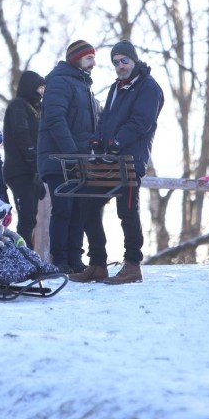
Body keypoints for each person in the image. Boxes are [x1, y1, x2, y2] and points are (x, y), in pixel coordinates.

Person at [70, 40, 164, 284]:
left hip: (130, 160)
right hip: (108, 159)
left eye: (124, 61)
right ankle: (98, 263)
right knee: (87, 202)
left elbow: (141, 121)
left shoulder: (148, 87)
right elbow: (104, 119)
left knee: (127, 210)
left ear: (134, 61)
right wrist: (96, 140)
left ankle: (133, 264)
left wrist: (117, 142)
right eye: (116, 62)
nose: (120, 66)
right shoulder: (116, 88)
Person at [37, 39, 99, 274]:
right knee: (63, 209)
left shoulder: (83, 84)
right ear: (77, 59)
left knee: (78, 210)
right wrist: (72, 152)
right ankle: (59, 259)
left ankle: (75, 258)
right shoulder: (61, 81)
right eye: (89, 58)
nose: (94, 63)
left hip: (78, 160)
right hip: (60, 159)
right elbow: (55, 119)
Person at [3, 71, 47, 247]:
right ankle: (24, 257)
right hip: (19, 170)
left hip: (31, 170)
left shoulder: (36, 109)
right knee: (26, 217)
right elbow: (22, 136)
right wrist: (34, 164)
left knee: (31, 217)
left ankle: (28, 255)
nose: (41, 92)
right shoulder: (18, 106)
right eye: (39, 87)